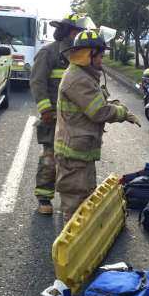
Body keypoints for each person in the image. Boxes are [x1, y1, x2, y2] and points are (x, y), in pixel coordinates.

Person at [54, 30, 140, 221]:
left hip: (79, 152)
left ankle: (80, 246)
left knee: (83, 197)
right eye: (100, 56)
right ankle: (71, 250)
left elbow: (98, 102)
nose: (102, 60)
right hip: (73, 155)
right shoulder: (78, 79)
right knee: (74, 205)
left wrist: (116, 105)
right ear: (88, 55)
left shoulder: (84, 75)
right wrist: (122, 113)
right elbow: (98, 111)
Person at [29, 13, 95, 214]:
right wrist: (45, 109)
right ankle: (44, 198)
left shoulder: (82, 55)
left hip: (76, 119)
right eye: (78, 31)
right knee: (50, 158)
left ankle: (76, 198)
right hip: (54, 117)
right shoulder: (48, 53)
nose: (81, 35)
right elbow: (37, 82)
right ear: (68, 32)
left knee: (76, 160)